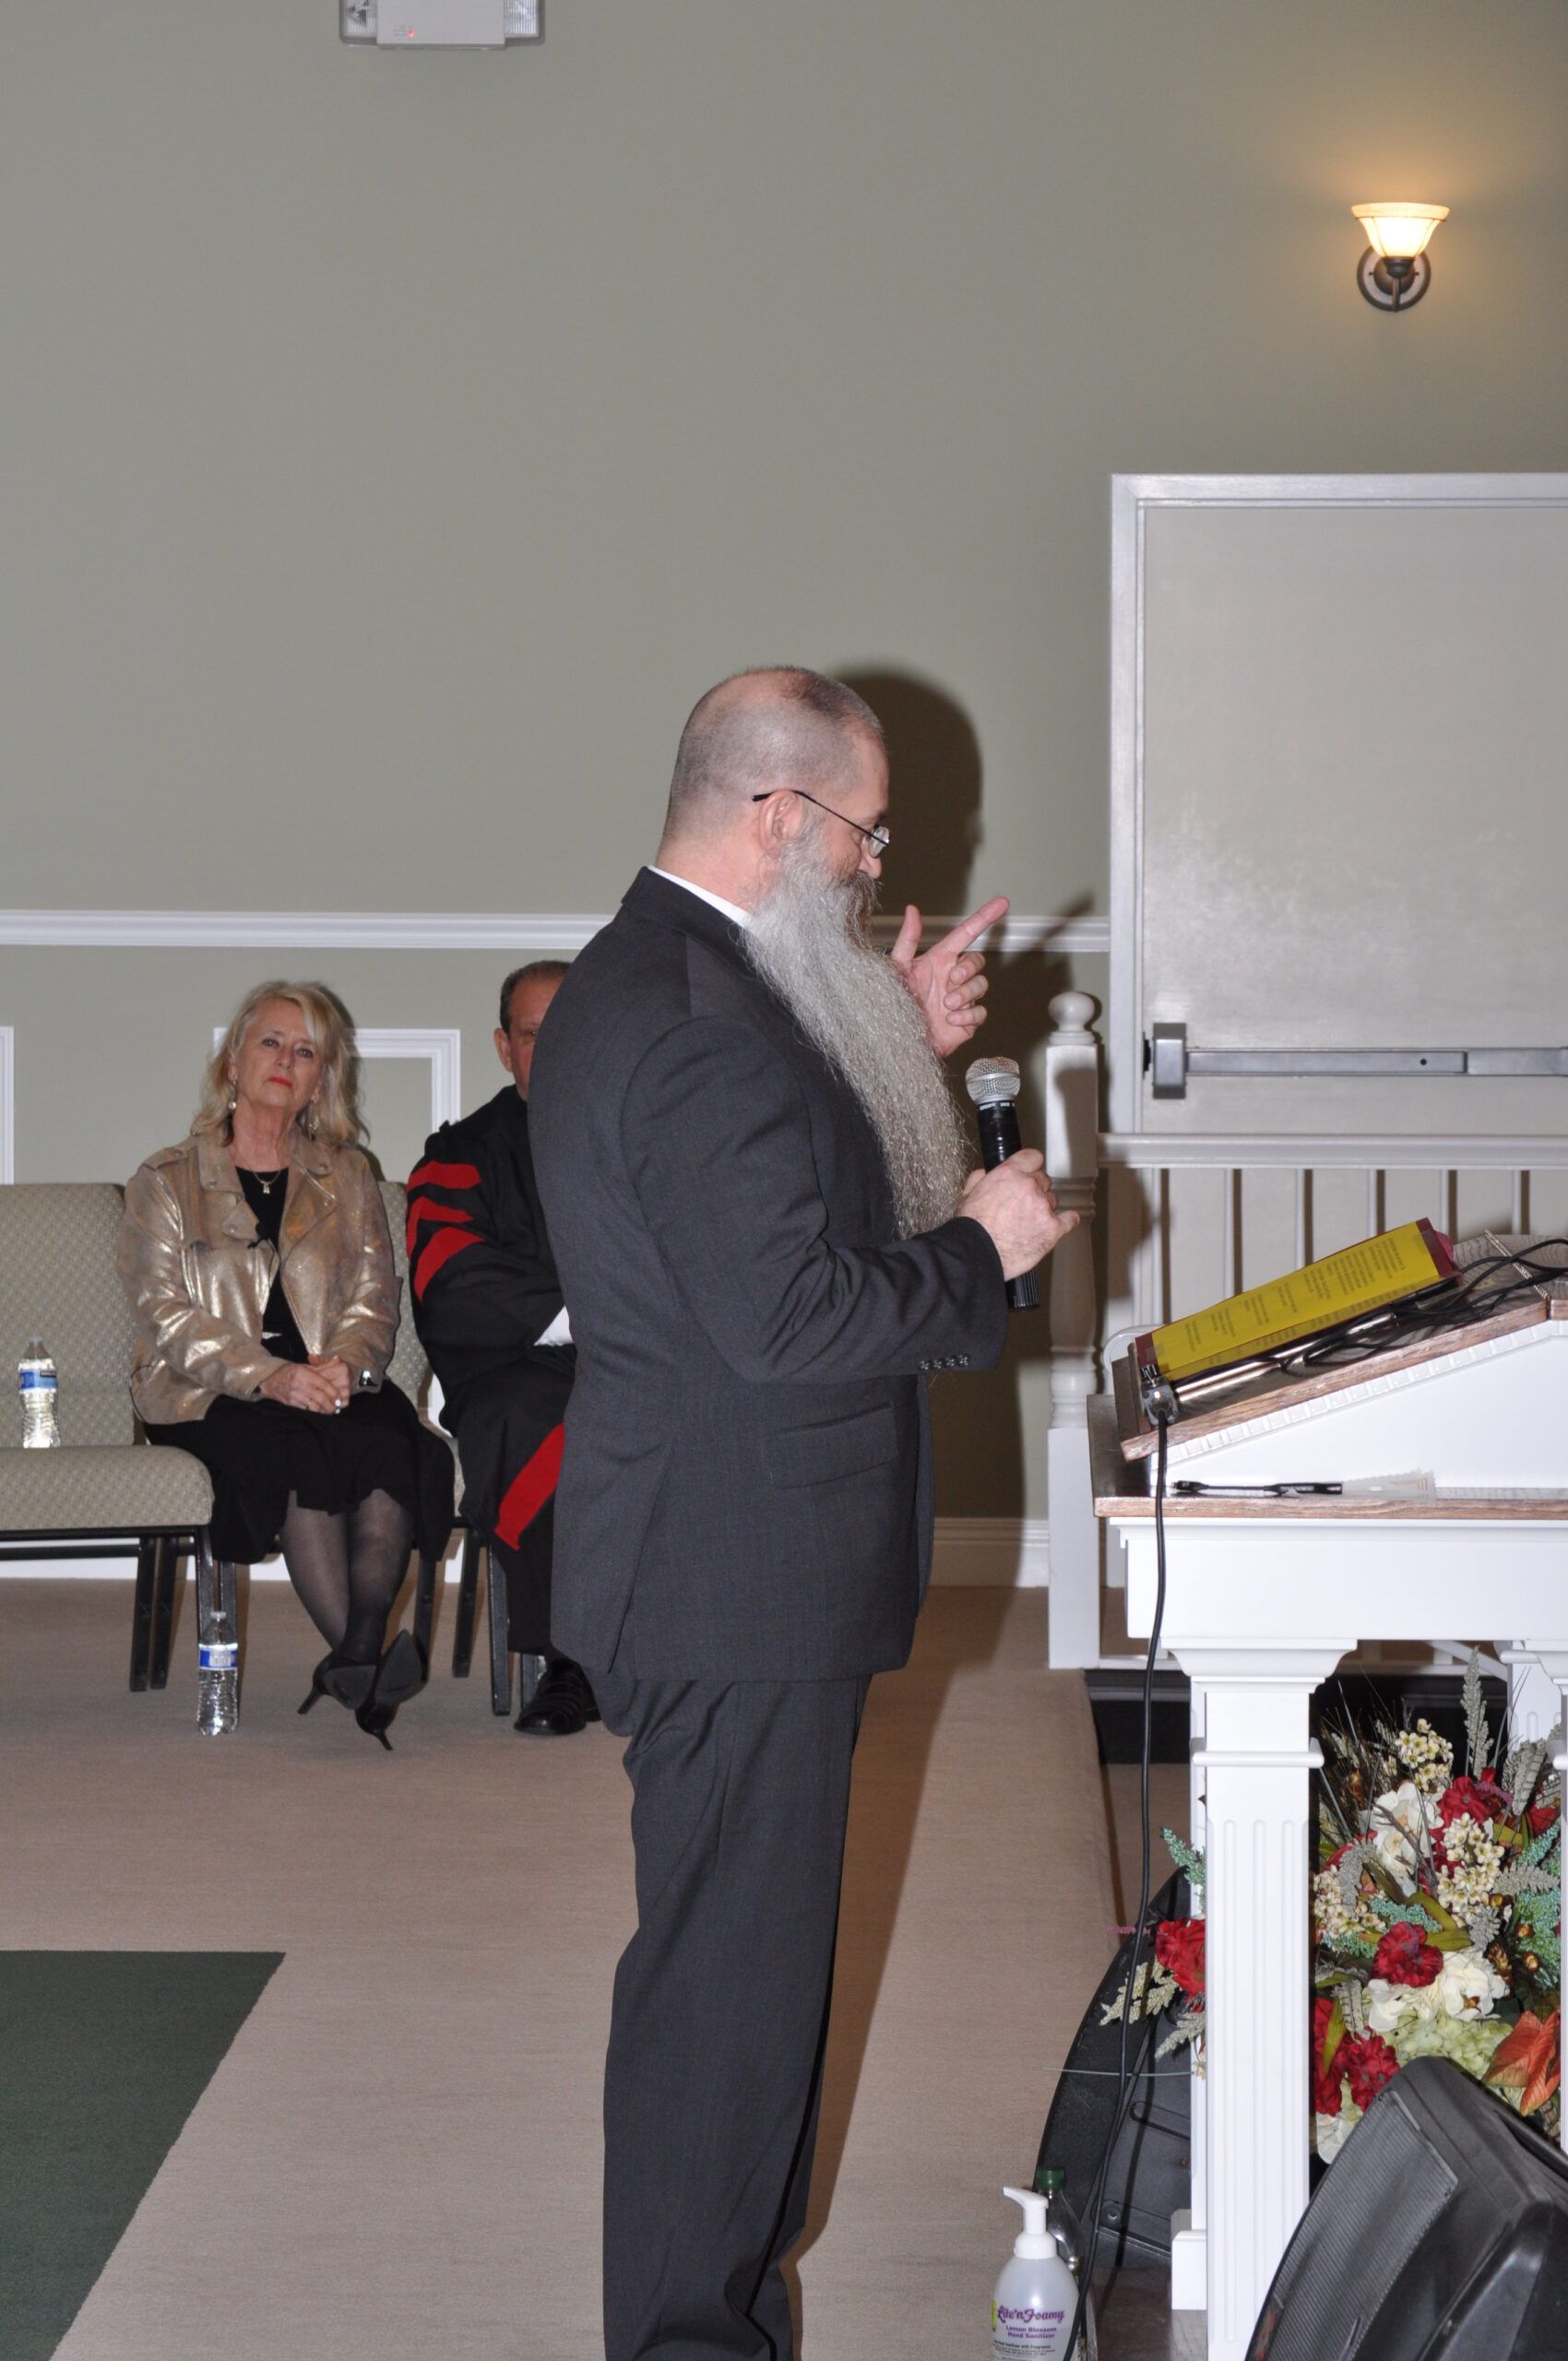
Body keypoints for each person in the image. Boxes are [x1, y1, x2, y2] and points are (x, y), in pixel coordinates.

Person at [529, 667, 1075, 2360]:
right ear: (776, 817)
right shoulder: (699, 1023)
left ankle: (718, 2311)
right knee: (725, 2014)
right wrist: (985, 1249)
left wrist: (891, 1044)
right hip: (734, 1572)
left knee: (738, 1998)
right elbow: (790, 1319)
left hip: (725, 1555)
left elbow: (789, 1208)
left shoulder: (703, 986)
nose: (869, 864)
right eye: (860, 831)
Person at [119, 981, 454, 1747]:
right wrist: (270, 1376)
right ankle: (364, 1665)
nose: (285, 1060)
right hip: (210, 1389)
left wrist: (343, 1366)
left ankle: (357, 1658)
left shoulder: (351, 1176)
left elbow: (376, 1296)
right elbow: (164, 1313)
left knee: (389, 1441)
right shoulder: (166, 1181)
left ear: (320, 1079)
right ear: (233, 1061)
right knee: (298, 1451)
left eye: (306, 1051)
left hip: (330, 1375)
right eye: (270, 1042)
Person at [407, 960, 598, 1737]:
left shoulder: (644, 1138)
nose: (552, 1050)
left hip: (645, 1359)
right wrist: (579, 1317)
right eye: (532, 1034)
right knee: (540, 1417)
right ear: (502, 1046)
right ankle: (573, 1661)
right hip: (514, 1366)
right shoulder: (461, 1153)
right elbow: (448, 1274)